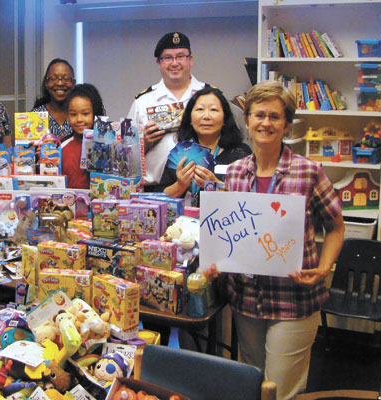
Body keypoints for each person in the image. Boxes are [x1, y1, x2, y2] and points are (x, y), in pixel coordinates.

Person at [203, 81, 345, 400]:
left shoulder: (308, 172)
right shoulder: (236, 173)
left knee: (280, 389)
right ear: (248, 120)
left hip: (294, 298)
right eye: (259, 115)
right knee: (251, 379)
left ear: (286, 125)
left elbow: (336, 226)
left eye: (274, 117)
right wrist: (216, 262)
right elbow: (230, 233)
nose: (265, 123)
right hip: (246, 298)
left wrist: (324, 268)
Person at [128, 32, 206, 192]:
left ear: (190, 60)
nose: (175, 63)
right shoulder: (143, 101)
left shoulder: (209, 96)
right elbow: (125, 157)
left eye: (180, 56)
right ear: (158, 63)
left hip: (201, 187)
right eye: (168, 58)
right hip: (155, 191)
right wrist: (144, 143)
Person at [159, 86, 251, 201]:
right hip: (185, 218)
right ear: (190, 119)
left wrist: (215, 185)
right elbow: (160, 198)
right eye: (200, 109)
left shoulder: (241, 153)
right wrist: (180, 185)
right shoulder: (180, 153)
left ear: (225, 119)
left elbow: (249, 198)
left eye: (213, 110)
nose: (206, 116)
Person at [61, 84, 106, 189]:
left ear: (95, 113)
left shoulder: (106, 145)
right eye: (73, 114)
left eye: (85, 114)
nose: (79, 119)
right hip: (67, 202)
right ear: (67, 115)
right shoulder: (60, 146)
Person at [32, 58, 76, 141]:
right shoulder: (35, 116)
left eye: (66, 79)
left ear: (73, 84)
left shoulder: (82, 115)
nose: (60, 83)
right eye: (53, 79)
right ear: (46, 84)